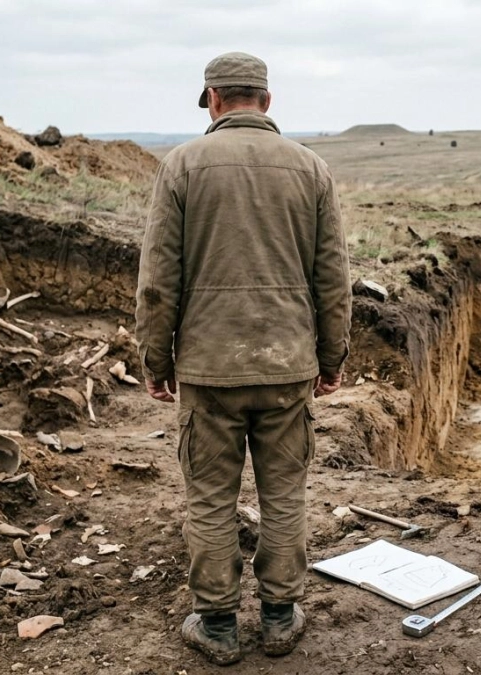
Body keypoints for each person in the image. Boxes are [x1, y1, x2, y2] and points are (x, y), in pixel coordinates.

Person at [134, 51, 351, 666]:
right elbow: (332, 279)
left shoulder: (180, 166)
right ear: (267, 100)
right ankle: (281, 619)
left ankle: (219, 626)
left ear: (213, 99)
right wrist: (331, 356)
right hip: (287, 366)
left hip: (208, 368)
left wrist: (155, 360)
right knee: (285, 492)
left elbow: (158, 280)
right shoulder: (311, 169)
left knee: (209, 495)